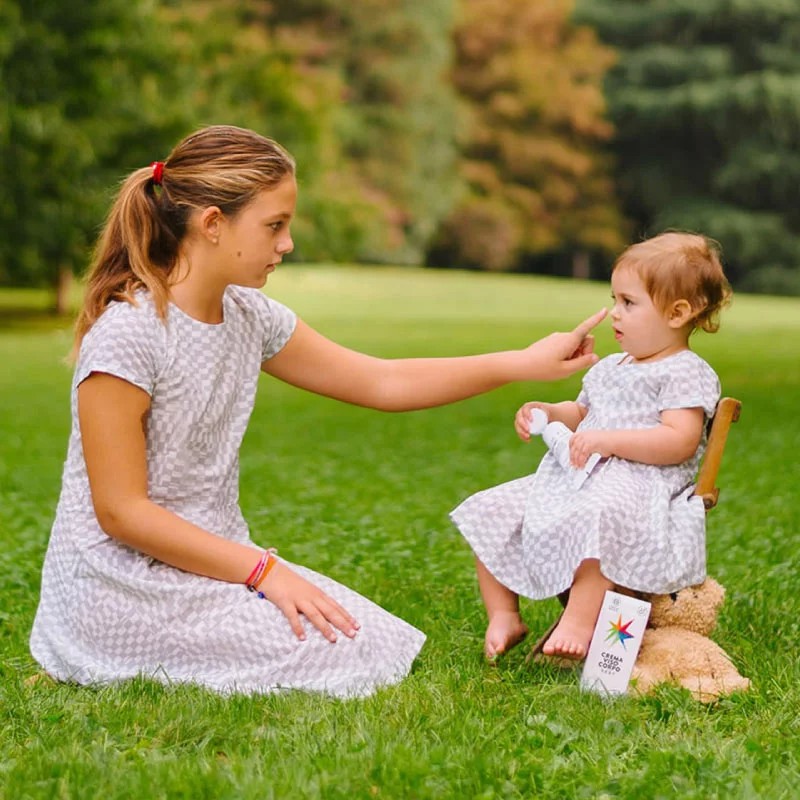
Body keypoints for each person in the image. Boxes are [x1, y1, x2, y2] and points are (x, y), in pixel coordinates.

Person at [29, 124, 606, 698]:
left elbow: (383, 381)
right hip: (120, 587)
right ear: (211, 225)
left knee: (369, 639)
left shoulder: (249, 315)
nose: (287, 244)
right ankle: (96, 651)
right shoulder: (128, 335)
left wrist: (520, 361)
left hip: (214, 565)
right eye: (274, 225)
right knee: (342, 653)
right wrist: (263, 571)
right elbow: (122, 512)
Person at [451, 232, 732, 662]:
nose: (614, 314)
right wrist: (549, 410)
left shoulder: (683, 372)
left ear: (678, 313)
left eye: (628, 303)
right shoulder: (610, 368)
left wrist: (609, 441)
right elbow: (582, 413)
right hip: (577, 479)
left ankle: (581, 622)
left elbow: (679, 441)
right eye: (614, 299)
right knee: (491, 509)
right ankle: (504, 613)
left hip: (642, 485)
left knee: (600, 515)